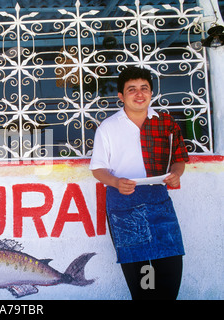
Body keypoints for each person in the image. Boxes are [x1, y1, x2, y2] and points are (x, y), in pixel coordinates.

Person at [89, 66, 189, 300]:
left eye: (144, 88)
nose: (139, 94)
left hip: (160, 204)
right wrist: (115, 181)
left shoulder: (166, 123)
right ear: (121, 97)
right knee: (143, 282)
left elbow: (179, 159)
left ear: (151, 93)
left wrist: (176, 173)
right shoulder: (108, 128)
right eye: (131, 89)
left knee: (169, 268)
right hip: (125, 208)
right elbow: (97, 169)